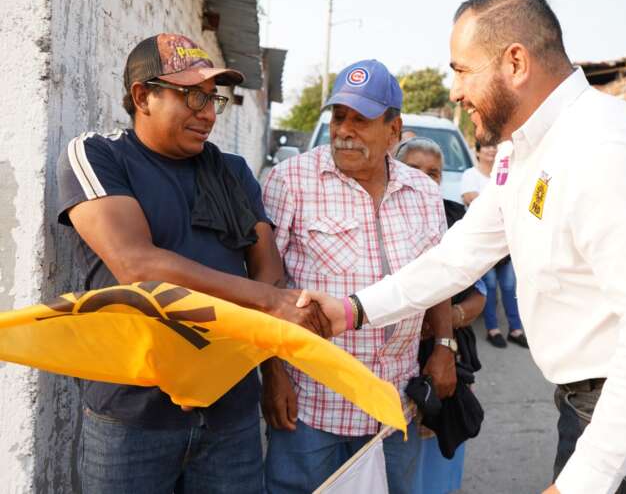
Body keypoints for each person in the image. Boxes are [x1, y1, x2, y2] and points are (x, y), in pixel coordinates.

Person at [300, 0, 626, 494]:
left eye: (462, 70)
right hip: (598, 399)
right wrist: (353, 310)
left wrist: (581, 483)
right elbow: (457, 257)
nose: (455, 91)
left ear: (515, 62)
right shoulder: (524, 149)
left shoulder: (606, 149)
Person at [57, 34, 331, 493]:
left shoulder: (233, 171)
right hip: (132, 413)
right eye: (193, 95)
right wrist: (269, 302)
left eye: (213, 98)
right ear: (143, 96)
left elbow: (268, 264)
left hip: (230, 412)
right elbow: (135, 263)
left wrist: (246, 364)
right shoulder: (99, 155)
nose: (208, 112)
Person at [261, 59, 457, 494]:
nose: (344, 130)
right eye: (338, 116)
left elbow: (438, 274)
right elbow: (264, 286)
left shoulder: (423, 190)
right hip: (313, 404)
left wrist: (443, 345)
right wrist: (271, 374)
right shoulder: (290, 181)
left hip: (394, 404)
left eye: (361, 119)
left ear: (394, 129)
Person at [396, 137, 487, 494]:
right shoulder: (377, 216)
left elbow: (479, 297)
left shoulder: (457, 220)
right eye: (413, 169)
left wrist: (446, 319)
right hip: (394, 362)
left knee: (437, 462)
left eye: (433, 172)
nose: (424, 179)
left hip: (444, 359)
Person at [461, 140, 526, 348]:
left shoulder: (504, 174)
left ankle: (515, 330)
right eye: (485, 147)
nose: (490, 150)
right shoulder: (471, 175)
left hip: (506, 242)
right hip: (482, 243)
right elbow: (470, 198)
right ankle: (492, 329)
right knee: (488, 286)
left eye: (493, 147)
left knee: (509, 286)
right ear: (477, 152)